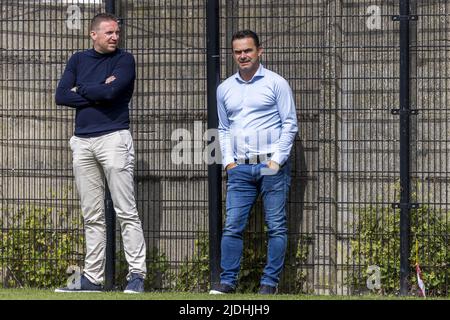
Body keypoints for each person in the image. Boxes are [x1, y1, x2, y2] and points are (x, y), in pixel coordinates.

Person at [54, 13, 146, 293]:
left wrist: (81, 89)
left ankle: (137, 276)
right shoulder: (77, 59)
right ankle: (93, 278)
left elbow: (112, 93)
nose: (115, 37)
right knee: (92, 214)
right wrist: (98, 88)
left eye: (117, 32)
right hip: (82, 142)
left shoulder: (124, 60)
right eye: (108, 32)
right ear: (93, 34)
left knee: (125, 211)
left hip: (114, 139)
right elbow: (60, 95)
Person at [210, 30, 298, 295]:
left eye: (248, 50)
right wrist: (228, 163)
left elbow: (290, 124)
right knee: (232, 226)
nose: (243, 56)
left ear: (259, 51)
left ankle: (269, 284)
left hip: (271, 167)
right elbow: (223, 129)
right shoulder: (224, 88)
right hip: (239, 168)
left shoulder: (276, 83)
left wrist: (276, 162)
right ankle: (227, 282)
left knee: (276, 226)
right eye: (238, 52)